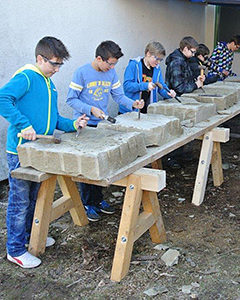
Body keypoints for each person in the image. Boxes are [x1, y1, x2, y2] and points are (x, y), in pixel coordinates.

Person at [0, 36, 88, 268]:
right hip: (21, 151)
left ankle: (31, 236)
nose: (57, 69)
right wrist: (23, 124)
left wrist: (73, 124)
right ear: (40, 58)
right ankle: (15, 249)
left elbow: (55, 118)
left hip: (41, 151)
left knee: (34, 198)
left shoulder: (49, 84)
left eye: (60, 65)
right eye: (54, 64)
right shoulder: (27, 77)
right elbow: (3, 98)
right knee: (20, 201)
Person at [66, 40, 144, 221]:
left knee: (100, 164)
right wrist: (90, 109)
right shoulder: (82, 73)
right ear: (99, 58)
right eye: (110, 63)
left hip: (101, 125)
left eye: (114, 64)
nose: (112, 67)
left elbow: (119, 96)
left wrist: (133, 104)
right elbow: (71, 99)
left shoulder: (111, 73)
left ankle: (98, 199)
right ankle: (88, 203)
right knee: (87, 167)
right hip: (84, 125)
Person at [119, 41, 176, 114]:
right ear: (148, 54)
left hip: (146, 110)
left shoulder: (157, 69)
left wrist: (168, 93)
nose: (158, 62)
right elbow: (127, 86)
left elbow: (161, 86)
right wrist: (145, 85)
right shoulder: (134, 65)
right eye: (156, 58)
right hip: (130, 110)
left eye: (160, 60)